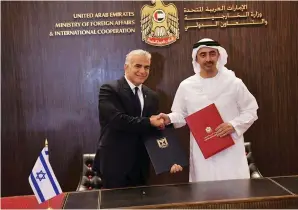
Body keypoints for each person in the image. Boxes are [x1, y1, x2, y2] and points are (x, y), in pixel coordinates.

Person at [158, 38, 259, 182]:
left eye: (212, 54)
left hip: (231, 150)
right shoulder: (186, 86)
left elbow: (251, 110)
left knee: (235, 194)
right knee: (204, 194)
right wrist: (169, 118)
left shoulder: (234, 83)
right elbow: (181, 115)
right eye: (203, 55)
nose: (208, 59)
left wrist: (233, 125)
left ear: (219, 56)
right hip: (202, 153)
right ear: (196, 59)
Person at [95, 49, 182, 189]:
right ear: (126, 67)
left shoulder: (152, 96)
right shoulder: (109, 90)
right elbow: (117, 120)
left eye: (146, 67)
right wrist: (149, 121)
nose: (143, 71)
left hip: (141, 164)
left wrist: (169, 160)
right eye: (138, 66)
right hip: (115, 162)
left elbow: (155, 132)